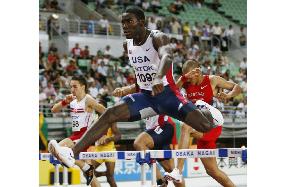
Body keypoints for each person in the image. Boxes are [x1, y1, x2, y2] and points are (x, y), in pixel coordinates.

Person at [48, 6, 223, 168]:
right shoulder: (128, 45)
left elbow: (167, 57)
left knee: (205, 126)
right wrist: (129, 89)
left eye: (129, 21)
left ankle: (206, 109)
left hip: (168, 95)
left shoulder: (158, 37)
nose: (124, 26)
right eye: (122, 22)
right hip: (147, 98)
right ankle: (72, 153)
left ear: (141, 22)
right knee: (110, 113)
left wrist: (158, 78)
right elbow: (142, 74)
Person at [164, 59, 241, 187]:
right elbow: (170, 93)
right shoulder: (186, 82)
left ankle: (178, 171)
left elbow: (236, 87)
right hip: (199, 126)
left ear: (197, 72)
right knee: (213, 171)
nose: (188, 80)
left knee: (185, 126)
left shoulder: (212, 80)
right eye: (186, 77)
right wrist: (184, 78)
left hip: (212, 126)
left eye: (190, 78)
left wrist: (228, 95)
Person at [113, 84, 184, 187]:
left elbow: (171, 86)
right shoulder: (141, 90)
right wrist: (122, 90)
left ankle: (160, 181)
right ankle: (162, 182)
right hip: (153, 132)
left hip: (163, 127)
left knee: (139, 143)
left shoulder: (155, 84)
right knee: (171, 171)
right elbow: (133, 87)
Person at [48, 75, 106, 185]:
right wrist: (65, 101)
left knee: (59, 149)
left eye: (75, 87)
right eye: (71, 87)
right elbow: (53, 110)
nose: (72, 89)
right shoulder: (72, 100)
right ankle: (86, 168)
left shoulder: (88, 100)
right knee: (54, 150)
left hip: (85, 137)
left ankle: (84, 167)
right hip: (75, 135)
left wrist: (103, 133)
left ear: (83, 87)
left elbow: (107, 113)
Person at [87, 99, 121, 187]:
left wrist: (108, 139)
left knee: (110, 179)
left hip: (110, 150)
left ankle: (108, 174)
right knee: (88, 173)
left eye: (100, 106)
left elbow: (118, 136)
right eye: (96, 106)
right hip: (98, 151)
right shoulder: (94, 120)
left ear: (104, 108)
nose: (98, 108)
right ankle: (105, 173)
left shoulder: (111, 120)